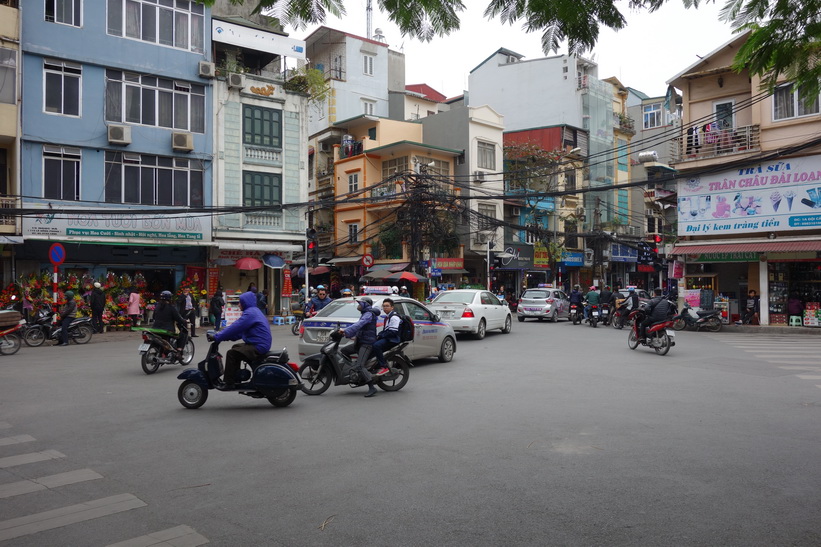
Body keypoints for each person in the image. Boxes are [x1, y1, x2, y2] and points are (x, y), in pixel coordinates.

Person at [212, 291, 272, 389]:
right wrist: (226, 337)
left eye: (240, 302)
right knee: (236, 347)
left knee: (232, 353)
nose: (239, 305)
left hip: (258, 345)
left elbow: (235, 327)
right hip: (259, 343)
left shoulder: (250, 313)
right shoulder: (254, 311)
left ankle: (229, 383)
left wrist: (218, 336)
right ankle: (236, 377)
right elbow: (240, 332)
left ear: (246, 302)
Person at [337, 296, 381, 397]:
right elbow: (359, 327)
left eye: (360, 303)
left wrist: (346, 331)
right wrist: (346, 332)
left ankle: (372, 387)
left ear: (365, 304)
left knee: (360, 365)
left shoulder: (369, 314)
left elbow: (360, 324)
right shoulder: (365, 313)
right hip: (360, 342)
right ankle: (355, 370)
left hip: (367, 344)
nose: (358, 305)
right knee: (344, 351)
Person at [371, 298, 401, 377]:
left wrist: (381, 335)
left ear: (392, 307)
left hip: (393, 339)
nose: (385, 308)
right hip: (389, 337)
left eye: (387, 306)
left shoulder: (394, 317)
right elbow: (386, 330)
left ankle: (383, 367)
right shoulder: (388, 317)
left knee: (376, 345)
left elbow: (392, 332)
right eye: (384, 306)